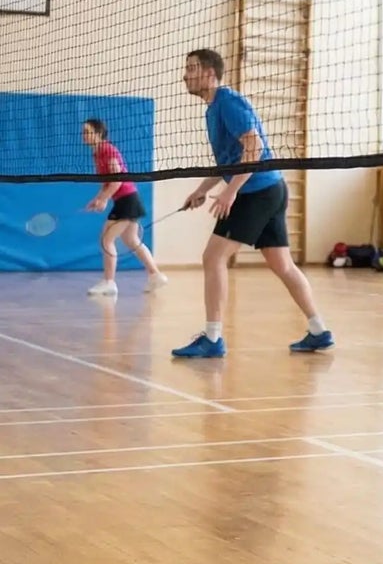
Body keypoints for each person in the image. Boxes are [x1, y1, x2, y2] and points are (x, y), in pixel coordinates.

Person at [171, 49, 333, 359]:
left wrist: (231, 192)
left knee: (213, 257)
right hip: (270, 188)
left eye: (192, 68)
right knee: (282, 264)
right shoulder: (213, 109)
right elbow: (231, 160)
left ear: (209, 74)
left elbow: (254, 148)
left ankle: (213, 338)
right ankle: (318, 330)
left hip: (256, 191)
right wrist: (203, 189)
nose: (185, 75)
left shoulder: (228, 103)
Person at [81, 118, 166, 297]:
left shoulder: (107, 149)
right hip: (126, 199)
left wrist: (104, 200)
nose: (84, 136)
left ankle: (109, 283)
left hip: (127, 199)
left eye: (88, 132)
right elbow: (107, 182)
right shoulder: (97, 153)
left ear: (99, 134)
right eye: (83, 132)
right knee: (131, 240)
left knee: (106, 240)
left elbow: (117, 179)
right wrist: (97, 199)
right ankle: (155, 275)